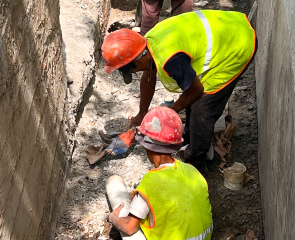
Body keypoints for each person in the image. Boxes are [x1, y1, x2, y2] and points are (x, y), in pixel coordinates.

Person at [101, 10, 256, 171]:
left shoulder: (170, 60)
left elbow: (195, 91)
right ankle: (188, 138)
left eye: (132, 70)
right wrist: (142, 113)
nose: (135, 73)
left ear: (139, 59)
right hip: (229, 25)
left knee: (202, 109)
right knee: (191, 102)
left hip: (237, 44)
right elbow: (148, 76)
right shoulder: (147, 44)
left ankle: (196, 166)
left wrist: (166, 114)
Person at [95, 107, 213, 240]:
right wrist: (139, 196)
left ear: (148, 147)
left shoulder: (151, 183)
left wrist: (114, 219)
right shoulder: (192, 172)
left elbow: (129, 227)